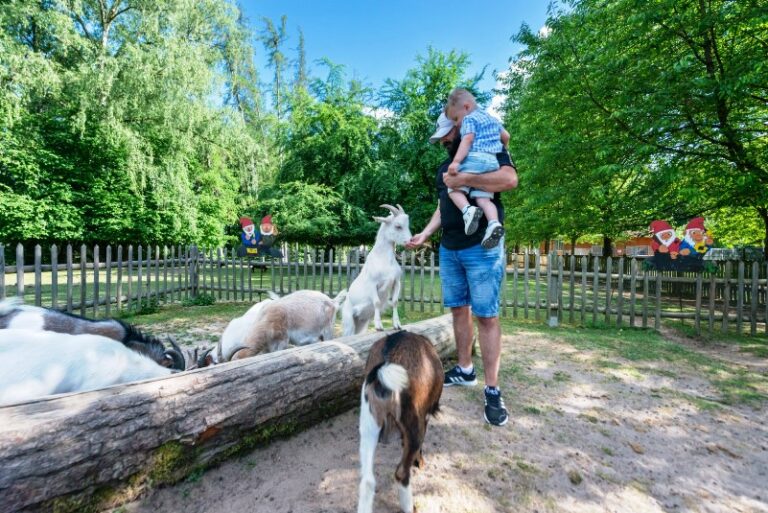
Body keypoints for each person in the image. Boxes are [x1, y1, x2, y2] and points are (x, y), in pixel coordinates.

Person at [407, 111, 518, 426]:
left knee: (487, 316)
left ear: (460, 126)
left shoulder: (488, 148)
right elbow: (443, 204)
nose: (442, 140)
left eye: (445, 134)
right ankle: (466, 370)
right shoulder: (446, 164)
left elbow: (510, 180)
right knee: (458, 310)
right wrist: (426, 233)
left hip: (482, 248)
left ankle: (492, 389)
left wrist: (466, 178)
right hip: (449, 248)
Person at [444, 88, 510, 249]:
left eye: (455, 118)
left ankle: (467, 210)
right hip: (492, 162)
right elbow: (506, 136)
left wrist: (456, 162)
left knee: (452, 186)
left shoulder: (470, 119)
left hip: (476, 158)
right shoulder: (492, 119)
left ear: (466, 107)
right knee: (483, 199)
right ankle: (494, 224)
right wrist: (502, 151)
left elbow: (467, 140)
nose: (456, 123)